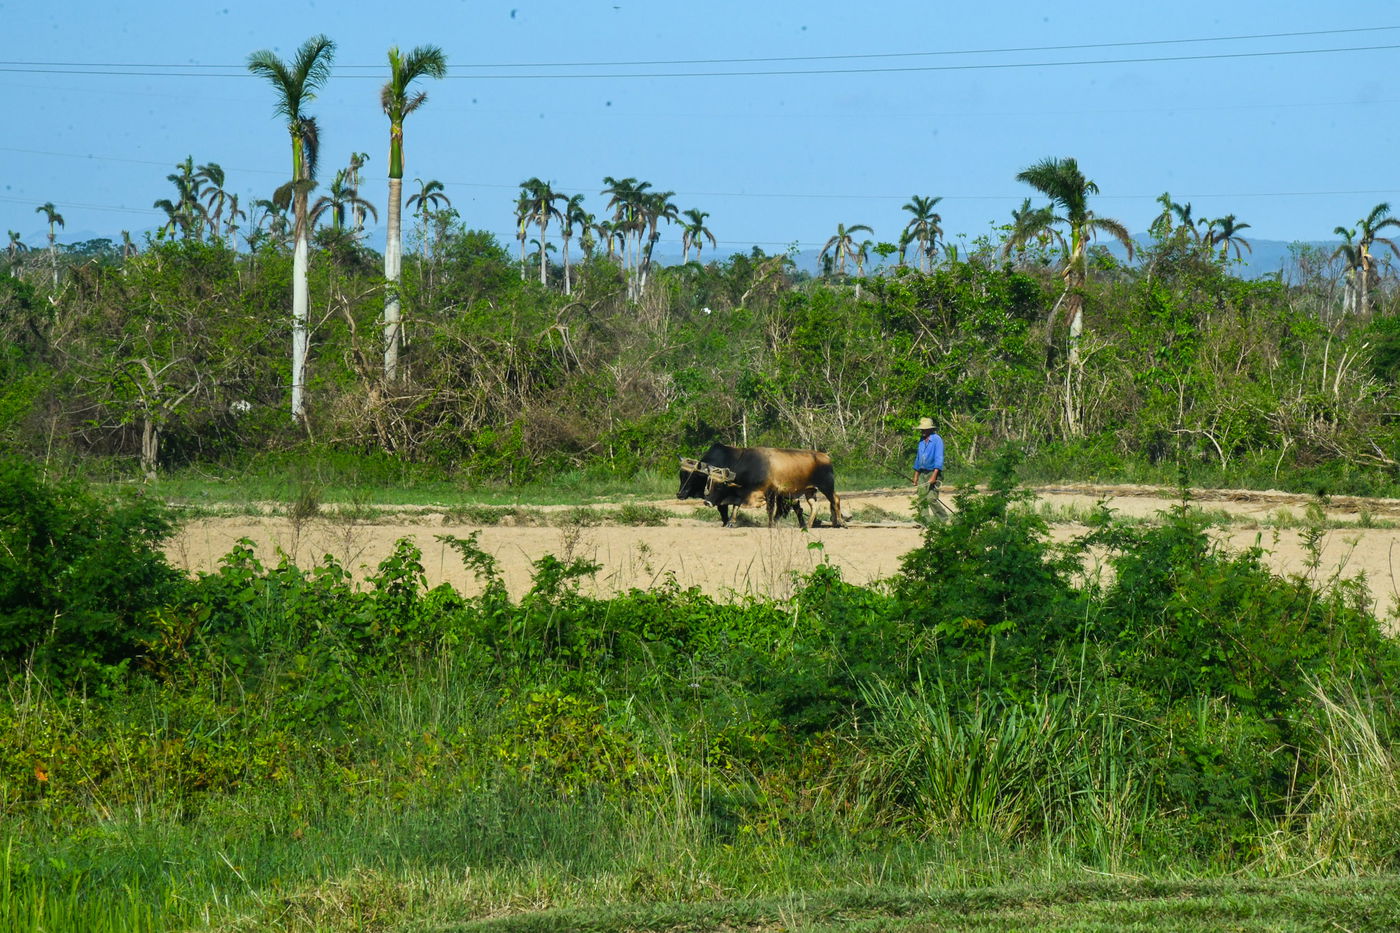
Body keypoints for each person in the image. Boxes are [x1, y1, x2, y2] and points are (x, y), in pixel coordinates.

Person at [912, 416, 943, 490]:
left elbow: (939, 459)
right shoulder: (922, 440)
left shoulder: (937, 439)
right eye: (922, 430)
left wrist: (934, 476)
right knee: (922, 497)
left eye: (925, 430)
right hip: (922, 473)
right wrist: (916, 476)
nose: (923, 431)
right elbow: (918, 458)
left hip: (932, 472)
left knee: (931, 499)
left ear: (930, 429)